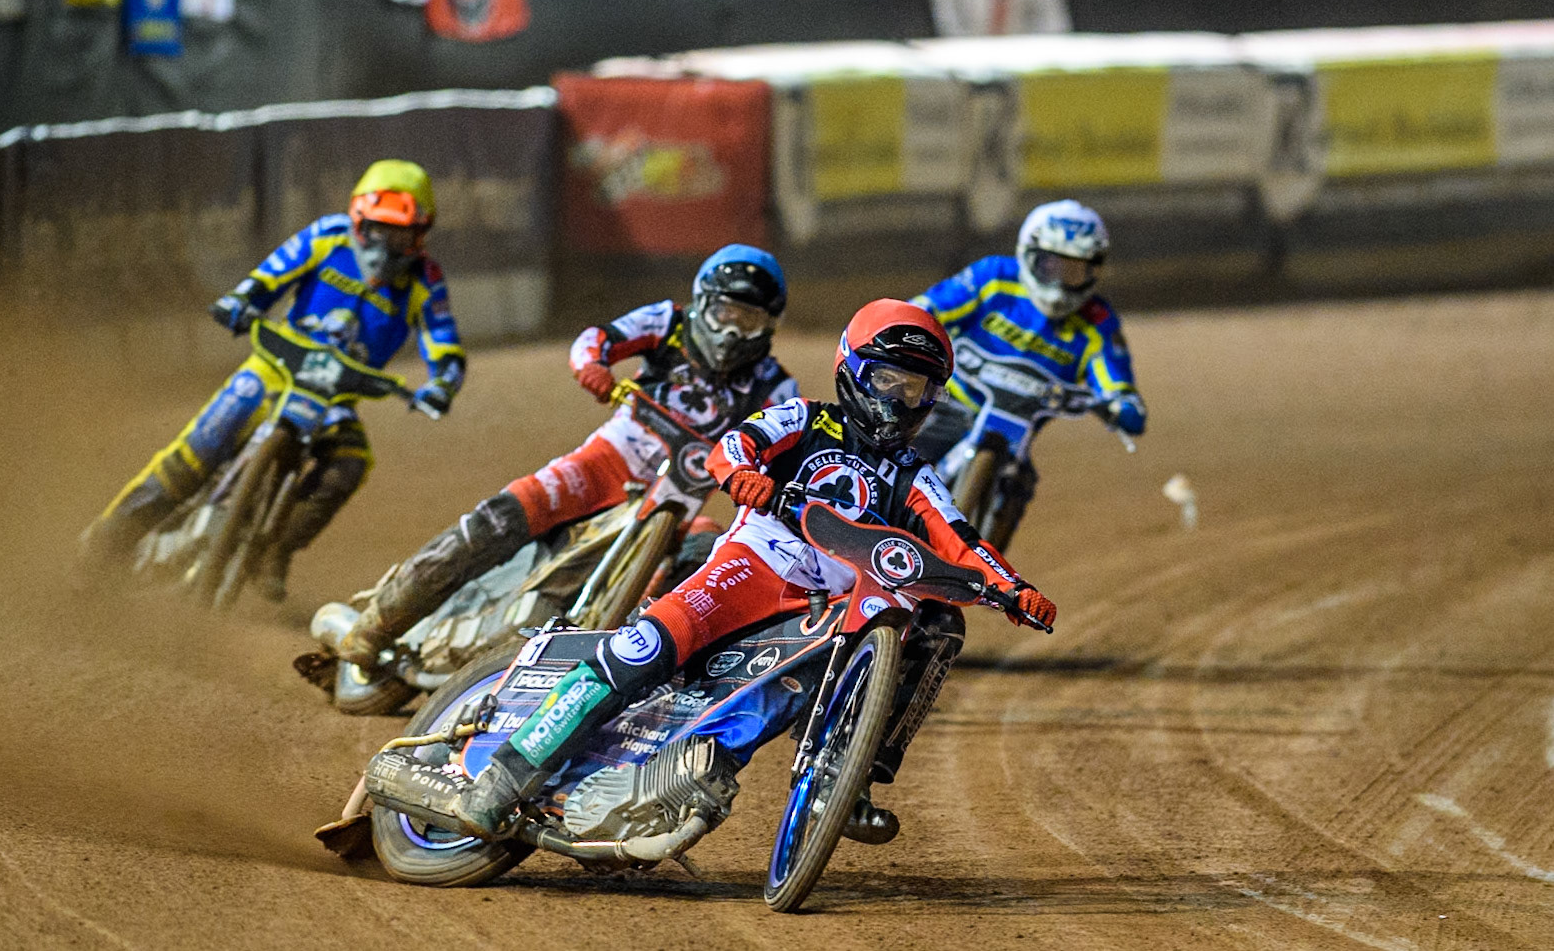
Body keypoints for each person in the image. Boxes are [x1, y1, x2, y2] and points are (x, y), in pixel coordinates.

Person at [419, 299, 1055, 842]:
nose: (898, 400)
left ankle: (726, 783)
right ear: (852, 371)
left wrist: (1014, 587)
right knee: (644, 646)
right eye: (887, 380)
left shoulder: (917, 474)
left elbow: (962, 538)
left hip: (823, 612)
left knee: (786, 697)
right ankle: (505, 774)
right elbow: (734, 444)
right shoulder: (806, 418)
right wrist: (744, 475)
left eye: (913, 389)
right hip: (752, 564)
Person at [334, 244, 797, 667]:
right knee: (500, 517)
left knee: (704, 554)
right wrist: (593, 367)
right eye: (725, 313)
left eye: (749, 320)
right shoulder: (666, 322)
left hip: (680, 504)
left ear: (769, 325)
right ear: (701, 301)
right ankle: (376, 624)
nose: (733, 332)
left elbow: (788, 458)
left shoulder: (776, 387)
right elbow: (595, 338)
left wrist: (766, 484)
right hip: (605, 463)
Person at [80, 160, 464, 601]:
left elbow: (443, 341)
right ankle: (103, 546)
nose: (391, 247)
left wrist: (442, 384)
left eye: (403, 235)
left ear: (422, 234)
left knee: (351, 462)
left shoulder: (425, 279)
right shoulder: (327, 236)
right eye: (382, 231)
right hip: (273, 369)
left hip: (335, 396)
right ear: (360, 219)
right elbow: (271, 275)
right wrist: (240, 302)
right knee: (193, 453)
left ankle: (275, 552)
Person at [907, 200, 1145, 532]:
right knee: (898, 458)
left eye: (1073, 271)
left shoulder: (1098, 322)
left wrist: (1123, 406)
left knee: (1020, 485)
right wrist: (908, 328)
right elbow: (926, 309)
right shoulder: (994, 278)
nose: (1060, 284)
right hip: (948, 404)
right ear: (1028, 253)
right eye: (1051, 267)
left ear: (1094, 270)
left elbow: (1116, 383)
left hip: (1016, 436)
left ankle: (985, 561)